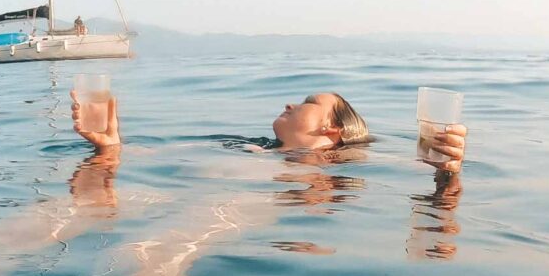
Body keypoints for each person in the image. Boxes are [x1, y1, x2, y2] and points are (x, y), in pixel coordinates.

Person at [71, 91, 468, 173]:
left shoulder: (340, 167)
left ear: (331, 129)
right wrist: (111, 150)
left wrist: (446, 177)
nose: (291, 104)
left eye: (309, 101)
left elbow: (423, 174)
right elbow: (153, 159)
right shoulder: (249, 148)